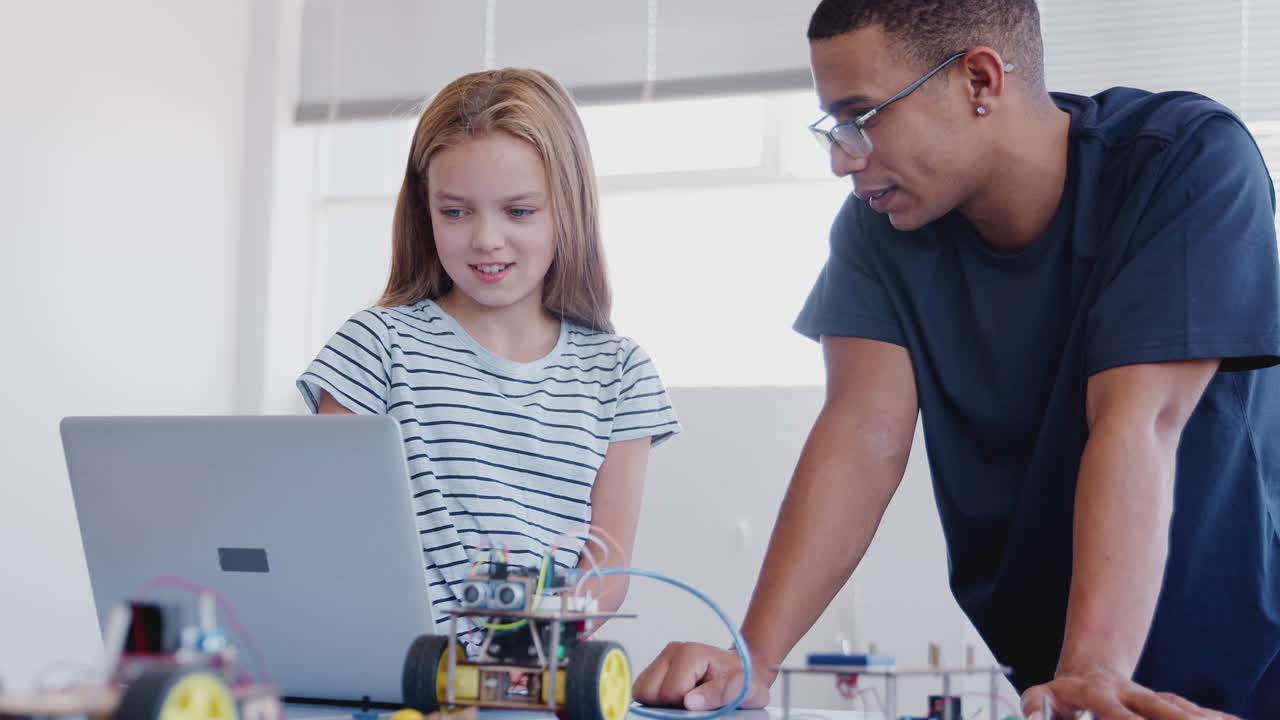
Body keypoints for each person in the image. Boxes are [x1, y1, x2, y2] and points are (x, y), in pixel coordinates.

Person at [633, 1, 1278, 718]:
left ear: (979, 80)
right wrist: (751, 659)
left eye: (864, 117)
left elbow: (1141, 419)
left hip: (1244, 668)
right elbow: (862, 435)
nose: (844, 158)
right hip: (1054, 682)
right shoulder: (882, 227)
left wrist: (1094, 671)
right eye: (833, 127)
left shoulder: (1181, 159)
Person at [297, 68, 681, 634]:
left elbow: (608, 568)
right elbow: (331, 531)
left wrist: (526, 641)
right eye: (455, 212)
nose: (486, 239)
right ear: (424, 211)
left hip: (529, 675)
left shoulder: (620, 373)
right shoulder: (375, 346)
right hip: (396, 669)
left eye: (519, 212)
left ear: (568, 208)